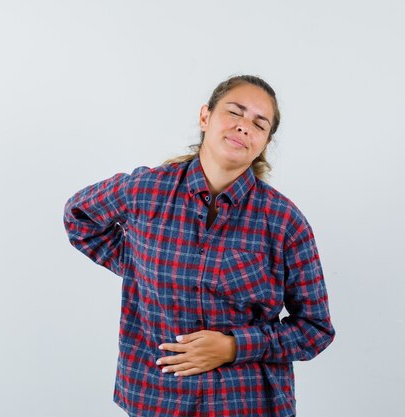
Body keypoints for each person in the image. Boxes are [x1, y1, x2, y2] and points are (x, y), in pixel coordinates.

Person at [63, 74, 335, 417]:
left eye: (259, 123)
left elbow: (315, 329)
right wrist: (138, 267)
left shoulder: (283, 221)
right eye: (235, 112)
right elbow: (79, 218)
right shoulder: (146, 190)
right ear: (205, 117)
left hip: (245, 403)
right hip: (158, 398)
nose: (244, 127)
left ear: (264, 141)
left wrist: (233, 347)